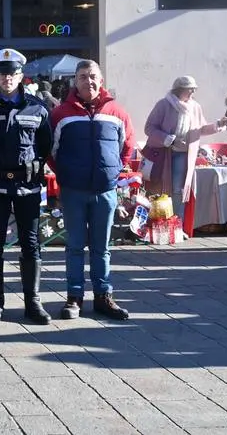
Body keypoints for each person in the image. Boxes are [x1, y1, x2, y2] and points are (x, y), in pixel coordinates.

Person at [0, 49, 52, 325]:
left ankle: (33, 302)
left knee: (31, 243)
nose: (8, 78)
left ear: (21, 76)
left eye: (13, 73)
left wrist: (36, 165)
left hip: (27, 186)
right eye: (3, 73)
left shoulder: (38, 107)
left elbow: (45, 145)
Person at [50, 59, 135, 321]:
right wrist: (66, 174)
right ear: (75, 81)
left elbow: (127, 148)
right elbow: (51, 152)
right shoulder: (61, 114)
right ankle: (74, 297)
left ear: (101, 79)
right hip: (74, 190)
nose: (89, 81)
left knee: (102, 247)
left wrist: (111, 172)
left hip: (105, 191)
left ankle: (103, 296)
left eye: (93, 76)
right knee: (75, 246)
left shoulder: (117, 112)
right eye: (84, 76)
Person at [144, 76, 227, 220]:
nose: (192, 93)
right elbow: (149, 128)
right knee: (158, 187)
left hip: (184, 155)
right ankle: (156, 222)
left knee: (179, 190)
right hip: (163, 153)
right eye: (190, 89)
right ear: (179, 90)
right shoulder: (163, 105)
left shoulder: (195, 107)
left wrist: (218, 124)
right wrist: (165, 138)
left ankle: (177, 223)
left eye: (194, 90)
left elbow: (201, 129)